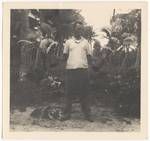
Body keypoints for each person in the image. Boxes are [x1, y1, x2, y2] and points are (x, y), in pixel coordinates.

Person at [62, 21, 93, 122]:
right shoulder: (68, 42)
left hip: (83, 71)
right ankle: (66, 114)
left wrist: (89, 70)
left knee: (84, 93)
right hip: (71, 71)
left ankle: (87, 114)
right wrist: (64, 69)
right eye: (77, 28)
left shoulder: (86, 43)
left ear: (82, 30)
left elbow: (89, 57)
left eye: (80, 28)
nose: (79, 30)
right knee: (69, 93)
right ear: (73, 29)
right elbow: (65, 57)